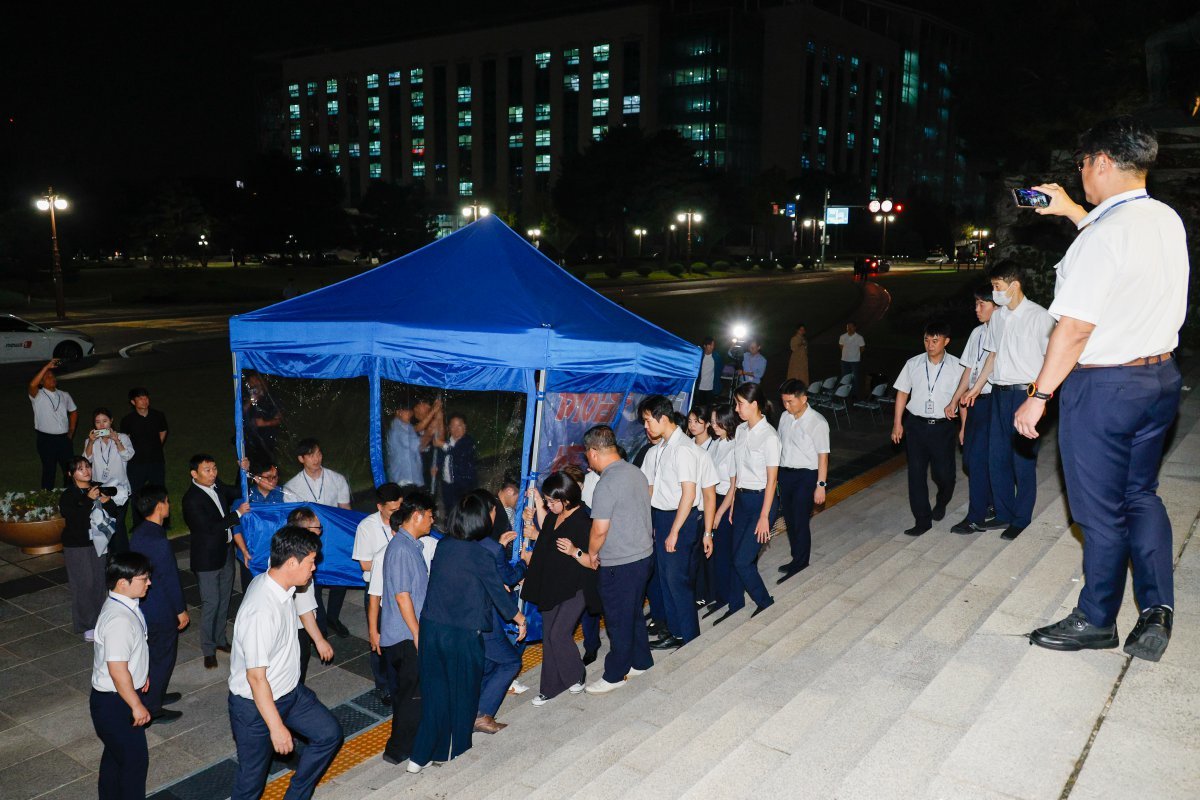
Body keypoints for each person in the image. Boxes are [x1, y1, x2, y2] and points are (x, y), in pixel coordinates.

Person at [1018, 116, 1186, 661]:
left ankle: (1096, 619)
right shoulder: (1163, 218)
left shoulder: (1104, 237)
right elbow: (1117, 244)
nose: (1081, 174)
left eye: (1083, 164)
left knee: (1098, 511)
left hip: (1106, 387)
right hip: (1159, 379)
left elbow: (1075, 329)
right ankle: (1157, 608)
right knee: (1141, 493)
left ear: (1102, 162)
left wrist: (1039, 396)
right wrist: (1070, 210)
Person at [406, 494, 527, 772]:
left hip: (431, 630)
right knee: (462, 695)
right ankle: (452, 753)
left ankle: (419, 755)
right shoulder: (480, 554)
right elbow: (498, 592)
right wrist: (520, 618)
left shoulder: (444, 546)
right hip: (461, 636)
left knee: (434, 694)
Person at [227, 526, 344, 799]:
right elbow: (256, 678)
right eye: (311, 562)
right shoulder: (260, 610)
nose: (314, 568)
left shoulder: (280, 583)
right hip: (256, 708)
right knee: (251, 782)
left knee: (328, 734)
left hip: (290, 694)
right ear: (291, 562)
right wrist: (277, 727)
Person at [962, 261, 1056, 541]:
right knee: (997, 458)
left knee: (1022, 460)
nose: (995, 293)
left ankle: (1021, 518)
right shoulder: (999, 317)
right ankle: (1003, 513)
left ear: (1014, 285)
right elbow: (992, 356)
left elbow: (1050, 361)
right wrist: (976, 388)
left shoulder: (1040, 317)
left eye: (997, 287)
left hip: (1025, 394)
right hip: (999, 394)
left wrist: (1040, 399)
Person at [582, 425, 655, 695]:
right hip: (643, 555)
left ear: (594, 452)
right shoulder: (635, 472)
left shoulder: (607, 483)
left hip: (620, 562)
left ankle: (614, 674)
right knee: (632, 611)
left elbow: (599, 529)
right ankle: (642, 660)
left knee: (617, 619)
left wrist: (591, 554)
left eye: (587, 455)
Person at [371, 489, 436, 763]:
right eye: (431, 516)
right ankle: (399, 750)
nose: (433, 521)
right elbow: (401, 595)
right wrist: (417, 633)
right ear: (417, 516)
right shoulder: (400, 549)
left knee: (411, 694)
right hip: (405, 638)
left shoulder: (411, 546)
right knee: (413, 696)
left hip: (407, 635)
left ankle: (405, 746)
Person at [522, 473, 597, 704]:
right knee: (548, 636)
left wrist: (574, 551)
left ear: (566, 499)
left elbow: (593, 562)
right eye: (547, 501)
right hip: (552, 584)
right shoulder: (557, 515)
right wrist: (534, 508)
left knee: (558, 633)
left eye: (552, 501)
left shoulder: (584, 520)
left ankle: (576, 673)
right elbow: (547, 535)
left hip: (577, 586)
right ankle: (550, 687)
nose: (549, 505)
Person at [638, 395, 706, 649]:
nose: (646, 426)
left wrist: (675, 531)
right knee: (666, 579)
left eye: (647, 420)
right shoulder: (663, 448)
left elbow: (689, 494)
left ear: (662, 418)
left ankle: (689, 637)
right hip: (663, 517)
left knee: (677, 581)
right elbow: (653, 489)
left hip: (680, 518)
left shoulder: (684, 449)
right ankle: (676, 632)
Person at [890, 321, 965, 537]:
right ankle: (922, 520)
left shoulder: (958, 366)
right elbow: (902, 393)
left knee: (945, 475)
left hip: (943, 427)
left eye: (935, 340)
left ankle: (942, 500)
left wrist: (964, 427)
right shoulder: (913, 363)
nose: (930, 345)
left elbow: (962, 400)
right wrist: (897, 424)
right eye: (926, 340)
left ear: (946, 341)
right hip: (916, 426)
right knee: (916, 474)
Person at [89, 551, 153, 800]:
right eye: (144, 578)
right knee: (135, 764)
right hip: (117, 702)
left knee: (116, 757)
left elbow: (127, 655)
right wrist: (136, 705)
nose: (149, 582)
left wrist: (141, 673)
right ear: (122, 582)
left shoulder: (121, 604)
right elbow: (117, 670)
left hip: (115, 698)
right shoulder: (119, 620)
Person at [712, 383, 778, 623]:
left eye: (740, 404)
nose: (736, 408)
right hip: (741, 499)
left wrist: (765, 516)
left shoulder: (769, 437)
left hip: (762, 501)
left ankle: (765, 601)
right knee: (733, 555)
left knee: (743, 559)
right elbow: (738, 471)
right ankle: (736, 603)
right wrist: (732, 505)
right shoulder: (740, 430)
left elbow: (772, 481)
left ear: (754, 405)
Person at [183, 453, 250, 669]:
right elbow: (209, 528)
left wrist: (243, 471)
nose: (213, 474)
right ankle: (208, 649)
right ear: (195, 473)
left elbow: (239, 491)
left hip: (226, 553)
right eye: (207, 470)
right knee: (211, 603)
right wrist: (237, 515)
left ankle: (221, 640)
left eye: (214, 469)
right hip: (207, 560)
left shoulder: (216, 486)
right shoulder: (191, 499)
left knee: (224, 600)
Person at [469, 488, 529, 730]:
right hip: (487, 619)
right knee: (511, 662)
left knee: (489, 663)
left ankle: (473, 707)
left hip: (465, 616)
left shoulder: (459, 542)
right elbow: (506, 576)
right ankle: (482, 715)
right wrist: (525, 562)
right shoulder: (490, 549)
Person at [128, 486, 187, 724]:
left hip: (144, 604)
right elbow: (169, 578)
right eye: (167, 501)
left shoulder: (141, 532)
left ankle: (155, 692)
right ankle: (153, 706)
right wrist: (181, 610)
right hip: (159, 607)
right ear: (159, 506)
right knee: (163, 655)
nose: (169, 505)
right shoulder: (158, 541)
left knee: (151, 654)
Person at [947, 286, 1002, 534]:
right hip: (975, 401)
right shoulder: (977, 333)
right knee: (970, 458)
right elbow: (968, 370)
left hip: (995, 400)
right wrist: (954, 399)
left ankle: (976, 516)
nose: (976, 309)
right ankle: (989, 503)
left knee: (981, 459)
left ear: (996, 305)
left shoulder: (1003, 332)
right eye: (976, 303)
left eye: (982, 304)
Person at [284, 438, 351, 636]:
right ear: (301, 459)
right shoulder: (292, 486)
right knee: (314, 581)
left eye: (319, 453)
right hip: (307, 540)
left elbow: (345, 511)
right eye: (311, 455)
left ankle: (333, 616)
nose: (317, 458)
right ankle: (320, 622)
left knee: (341, 577)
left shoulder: (336, 479)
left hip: (334, 538)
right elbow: (293, 520)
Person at [352, 483, 406, 703]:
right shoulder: (367, 527)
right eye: (393, 509)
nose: (398, 512)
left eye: (400, 506)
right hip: (379, 590)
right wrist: (389, 560)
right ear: (380, 507)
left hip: (402, 586)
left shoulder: (406, 520)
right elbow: (364, 564)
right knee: (379, 638)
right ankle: (383, 685)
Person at [776, 379, 830, 579]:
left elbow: (823, 456)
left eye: (790, 401)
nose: (786, 406)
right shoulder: (784, 417)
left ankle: (801, 561)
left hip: (806, 476)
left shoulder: (817, 422)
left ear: (803, 398)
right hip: (786, 474)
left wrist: (821, 485)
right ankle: (796, 557)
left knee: (800, 518)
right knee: (789, 518)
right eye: (784, 402)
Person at [60, 456, 115, 641]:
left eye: (87, 466)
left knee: (100, 582)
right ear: (70, 474)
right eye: (80, 468)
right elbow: (73, 518)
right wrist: (87, 500)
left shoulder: (97, 488)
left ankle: (101, 620)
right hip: (77, 545)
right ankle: (86, 625)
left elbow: (113, 515)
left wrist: (107, 501)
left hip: (99, 542)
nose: (86, 471)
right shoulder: (69, 495)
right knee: (84, 583)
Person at [286, 506, 335, 683]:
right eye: (317, 528)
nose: (320, 532)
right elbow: (304, 608)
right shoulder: (301, 562)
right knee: (297, 672)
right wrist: (319, 640)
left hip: (286, 625)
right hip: (297, 630)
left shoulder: (284, 548)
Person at [84, 408, 135, 554]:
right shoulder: (90, 441)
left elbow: (127, 456)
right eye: (98, 422)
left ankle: (123, 557)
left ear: (111, 421)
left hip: (120, 489)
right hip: (100, 489)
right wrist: (91, 443)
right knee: (104, 523)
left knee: (118, 524)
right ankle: (110, 556)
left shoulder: (123, 437)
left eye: (105, 421)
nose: (101, 425)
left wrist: (116, 440)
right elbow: (86, 460)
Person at [704, 404, 738, 614]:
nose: (714, 426)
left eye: (718, 422)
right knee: (715, 552)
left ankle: (726, 595)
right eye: (713, 421)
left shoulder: (734, 446)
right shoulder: (716, 444)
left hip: (725, 500)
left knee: (724, 552)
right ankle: (718, 593)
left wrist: (719, 512)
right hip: (713, 497)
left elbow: (734, 486)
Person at [121, 387, 168, 525]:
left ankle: (161, 521)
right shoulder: (127, 420)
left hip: (156, 461)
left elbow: (163, 431)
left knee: (159, 492)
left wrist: (156, 446)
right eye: (140, 398)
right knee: (137, 493)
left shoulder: (158, 415)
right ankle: (138, 523)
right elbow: (126, 439)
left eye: (146, 397)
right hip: (136, 463)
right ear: (133, 402)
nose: (144, 401)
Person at [29, 359, 77, 489]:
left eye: (53, 376)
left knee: (69, 469)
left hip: (64, 439)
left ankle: (70, 493)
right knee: (49, 469)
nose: (52, 378)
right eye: (48, 377)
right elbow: (32, 385)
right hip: (46, 439)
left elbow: (73, 411)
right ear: (42, 381)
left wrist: (71, 431)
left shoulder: (64, 395)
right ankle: (47, 496)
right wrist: (46, 367)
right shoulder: (38, 395)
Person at [434, 413, 478, 513]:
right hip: (447, 484)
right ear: (449, 428)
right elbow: (442, 456)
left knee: (462, 510)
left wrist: (443, 445)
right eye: (453, 426)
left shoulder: (468, 442)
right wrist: (437, 466)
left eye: (459, 425)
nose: (456, 429)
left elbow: (457, 453)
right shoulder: (448, 441)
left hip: (462, 486)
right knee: (449, 509)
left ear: (465, 427)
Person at [242, 372, 283, 468]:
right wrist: (250, 401)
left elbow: (280, 419)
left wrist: (265, 423)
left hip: (267, 437)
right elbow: (240, 413)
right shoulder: (246, 397)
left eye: (256, 381)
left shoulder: (271, 398)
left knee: (267, 462)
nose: (254, 385)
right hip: (249, 437)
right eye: (251, 382)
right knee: (249, 462)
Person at [386, 402, 424, 487]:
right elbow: (417, 444)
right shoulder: (397, 429)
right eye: (407, 412)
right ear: (398, 412)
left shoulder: (408, 426)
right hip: (403, 478)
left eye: (411, 412)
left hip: (413, 477)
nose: (410, 414)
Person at [838, 322, 866, 398]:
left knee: (855, 378)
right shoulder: (842, 336)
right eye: (848, 327)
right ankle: (845, 393)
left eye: (851, 327)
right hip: (844, 360)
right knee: (845, 377)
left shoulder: (859, 337)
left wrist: (855, 354)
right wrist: (847, 353)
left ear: (855, 327)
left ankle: (854, 394)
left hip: (855, 361)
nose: (849, 328)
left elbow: (862, 348)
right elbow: (841, 346)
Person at [695, 337, 724, 406]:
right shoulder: (699, 357)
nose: (712, 347)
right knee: (697, 408)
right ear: (705, 346)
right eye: (710, 345)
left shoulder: (716, 357)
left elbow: (719, 371)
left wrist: (717, 385)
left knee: (708, 408)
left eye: (713, 345)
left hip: (710, 389)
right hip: (698, 388)